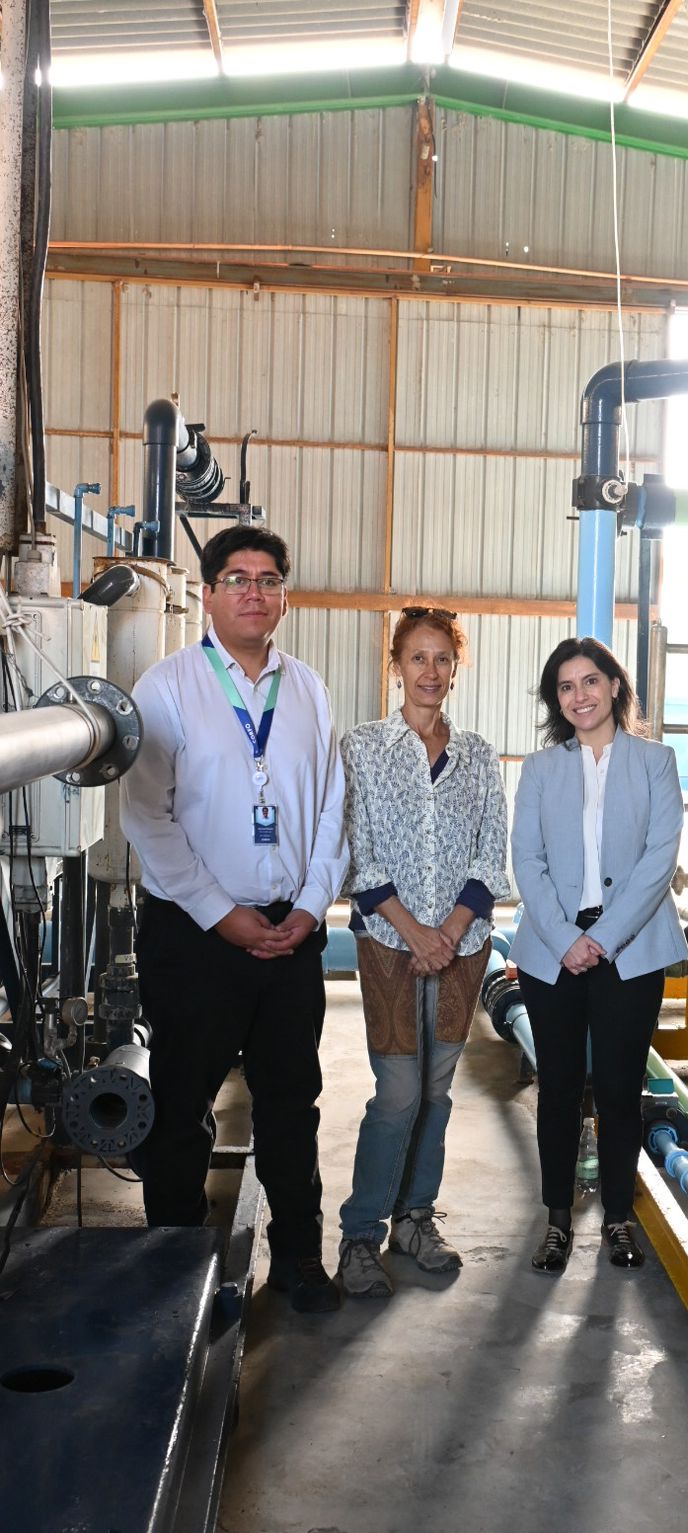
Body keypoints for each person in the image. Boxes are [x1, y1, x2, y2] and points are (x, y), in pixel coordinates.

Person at [120, 525, 348, 1314]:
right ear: (210, 593)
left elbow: (332, 812)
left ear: (283, 596)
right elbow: (148, 816)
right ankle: (175, 1264)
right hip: (193, 935)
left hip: (291, 933)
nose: (256, 591)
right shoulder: (168, 686)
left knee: (292, 1102)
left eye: (270, 579)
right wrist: (223, 917)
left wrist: (312, 907)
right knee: (182, 1106)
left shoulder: (310, 689)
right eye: (238, 578)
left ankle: (297, 1261)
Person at [336, 606, 509, 1298]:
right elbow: (361, 853)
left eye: (443, 660)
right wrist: (416, 934)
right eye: (418, 658)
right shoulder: (364, 748)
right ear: (396, 665)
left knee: (437, 1092)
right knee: (398, 1091)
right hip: (388, 945)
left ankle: (415, 1219)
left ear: (456, 670)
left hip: (462, 948)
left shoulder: (479, 758)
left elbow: (490, 857)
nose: (430, 673)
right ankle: (359, 1233)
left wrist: (450, 932)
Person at [510, 637, 688, 1273]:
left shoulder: (656, 761)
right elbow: (526, 863)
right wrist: (565, 940)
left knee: (618, 1090)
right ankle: (556, 1218)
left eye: (590, 681)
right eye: (565, 687)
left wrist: (603, 940)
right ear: (555, 699)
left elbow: (658, 861)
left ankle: (618, 1217)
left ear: (615, 686)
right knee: (557, 1088)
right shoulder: (539, 769)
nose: (579, 696)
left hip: (631, 950)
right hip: (552, 950)